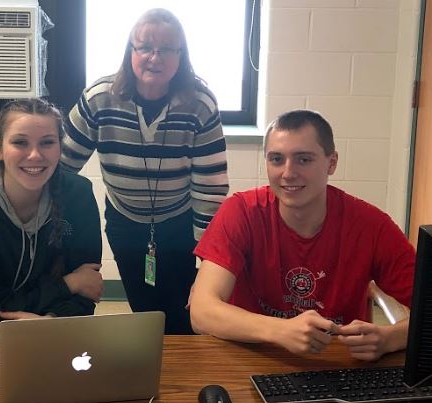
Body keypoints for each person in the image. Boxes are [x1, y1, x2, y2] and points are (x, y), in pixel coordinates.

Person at [190, 109, 415, 361]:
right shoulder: (241, 212)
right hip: (252, 358)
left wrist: (390, 338)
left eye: (303, 159)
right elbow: (201, 312)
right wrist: (281, 330)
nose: (287, 173)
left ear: (332, 163)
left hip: (338, 365)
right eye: (276, 159)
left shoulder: (371, 226)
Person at [61, 8, 228, 334]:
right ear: (130, 52)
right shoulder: (99, 99)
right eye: (145, 47)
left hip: (180, 223)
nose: (155, 57)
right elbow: (61, 166)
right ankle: (155, 374)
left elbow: (210, 189)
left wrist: (208, 262)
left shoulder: (200, 103)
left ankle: (184, 375)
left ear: (180, 55)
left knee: (184, 310)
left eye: (167, 49)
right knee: (145, 310)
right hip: (126, 223)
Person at [0, 98, 103, 401]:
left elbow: (88, 287)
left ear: (59, 148)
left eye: (47, 142)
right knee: (41, 395)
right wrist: (67, 284)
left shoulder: (78, 195)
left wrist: (51, 324)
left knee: (102, 388)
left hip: (58, 324)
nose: (35, 155)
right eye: (20, 142)